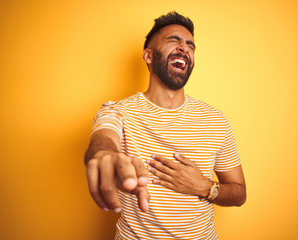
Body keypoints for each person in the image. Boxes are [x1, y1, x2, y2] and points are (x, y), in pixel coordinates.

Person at [84, 11, 246, 240]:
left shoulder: (215, 120)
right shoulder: (117, 111)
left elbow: (239, 193)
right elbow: (103, 140)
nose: (184, 47)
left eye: (190, 45)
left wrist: (205, 187)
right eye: (174, 40)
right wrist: (103, 155)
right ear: (148, 56)